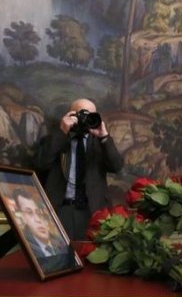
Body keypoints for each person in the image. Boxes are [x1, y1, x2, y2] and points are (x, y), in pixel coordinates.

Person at [36, 98, 123, 240]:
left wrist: (104, 137)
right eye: (81, 114)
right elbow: (41, 163)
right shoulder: (57, 139)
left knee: (90, 252)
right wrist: (62, 132)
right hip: (61, 209)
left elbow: (117, 166)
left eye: (90, 115)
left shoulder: (100, 143)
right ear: (70, 115)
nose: (85, 119)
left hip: (93, 210)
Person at [12, 188, 67, 259]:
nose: (38, 219)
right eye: (29, 212)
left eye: (38, 213)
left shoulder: (61, 242)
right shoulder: (27, 246)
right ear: (22, 217)